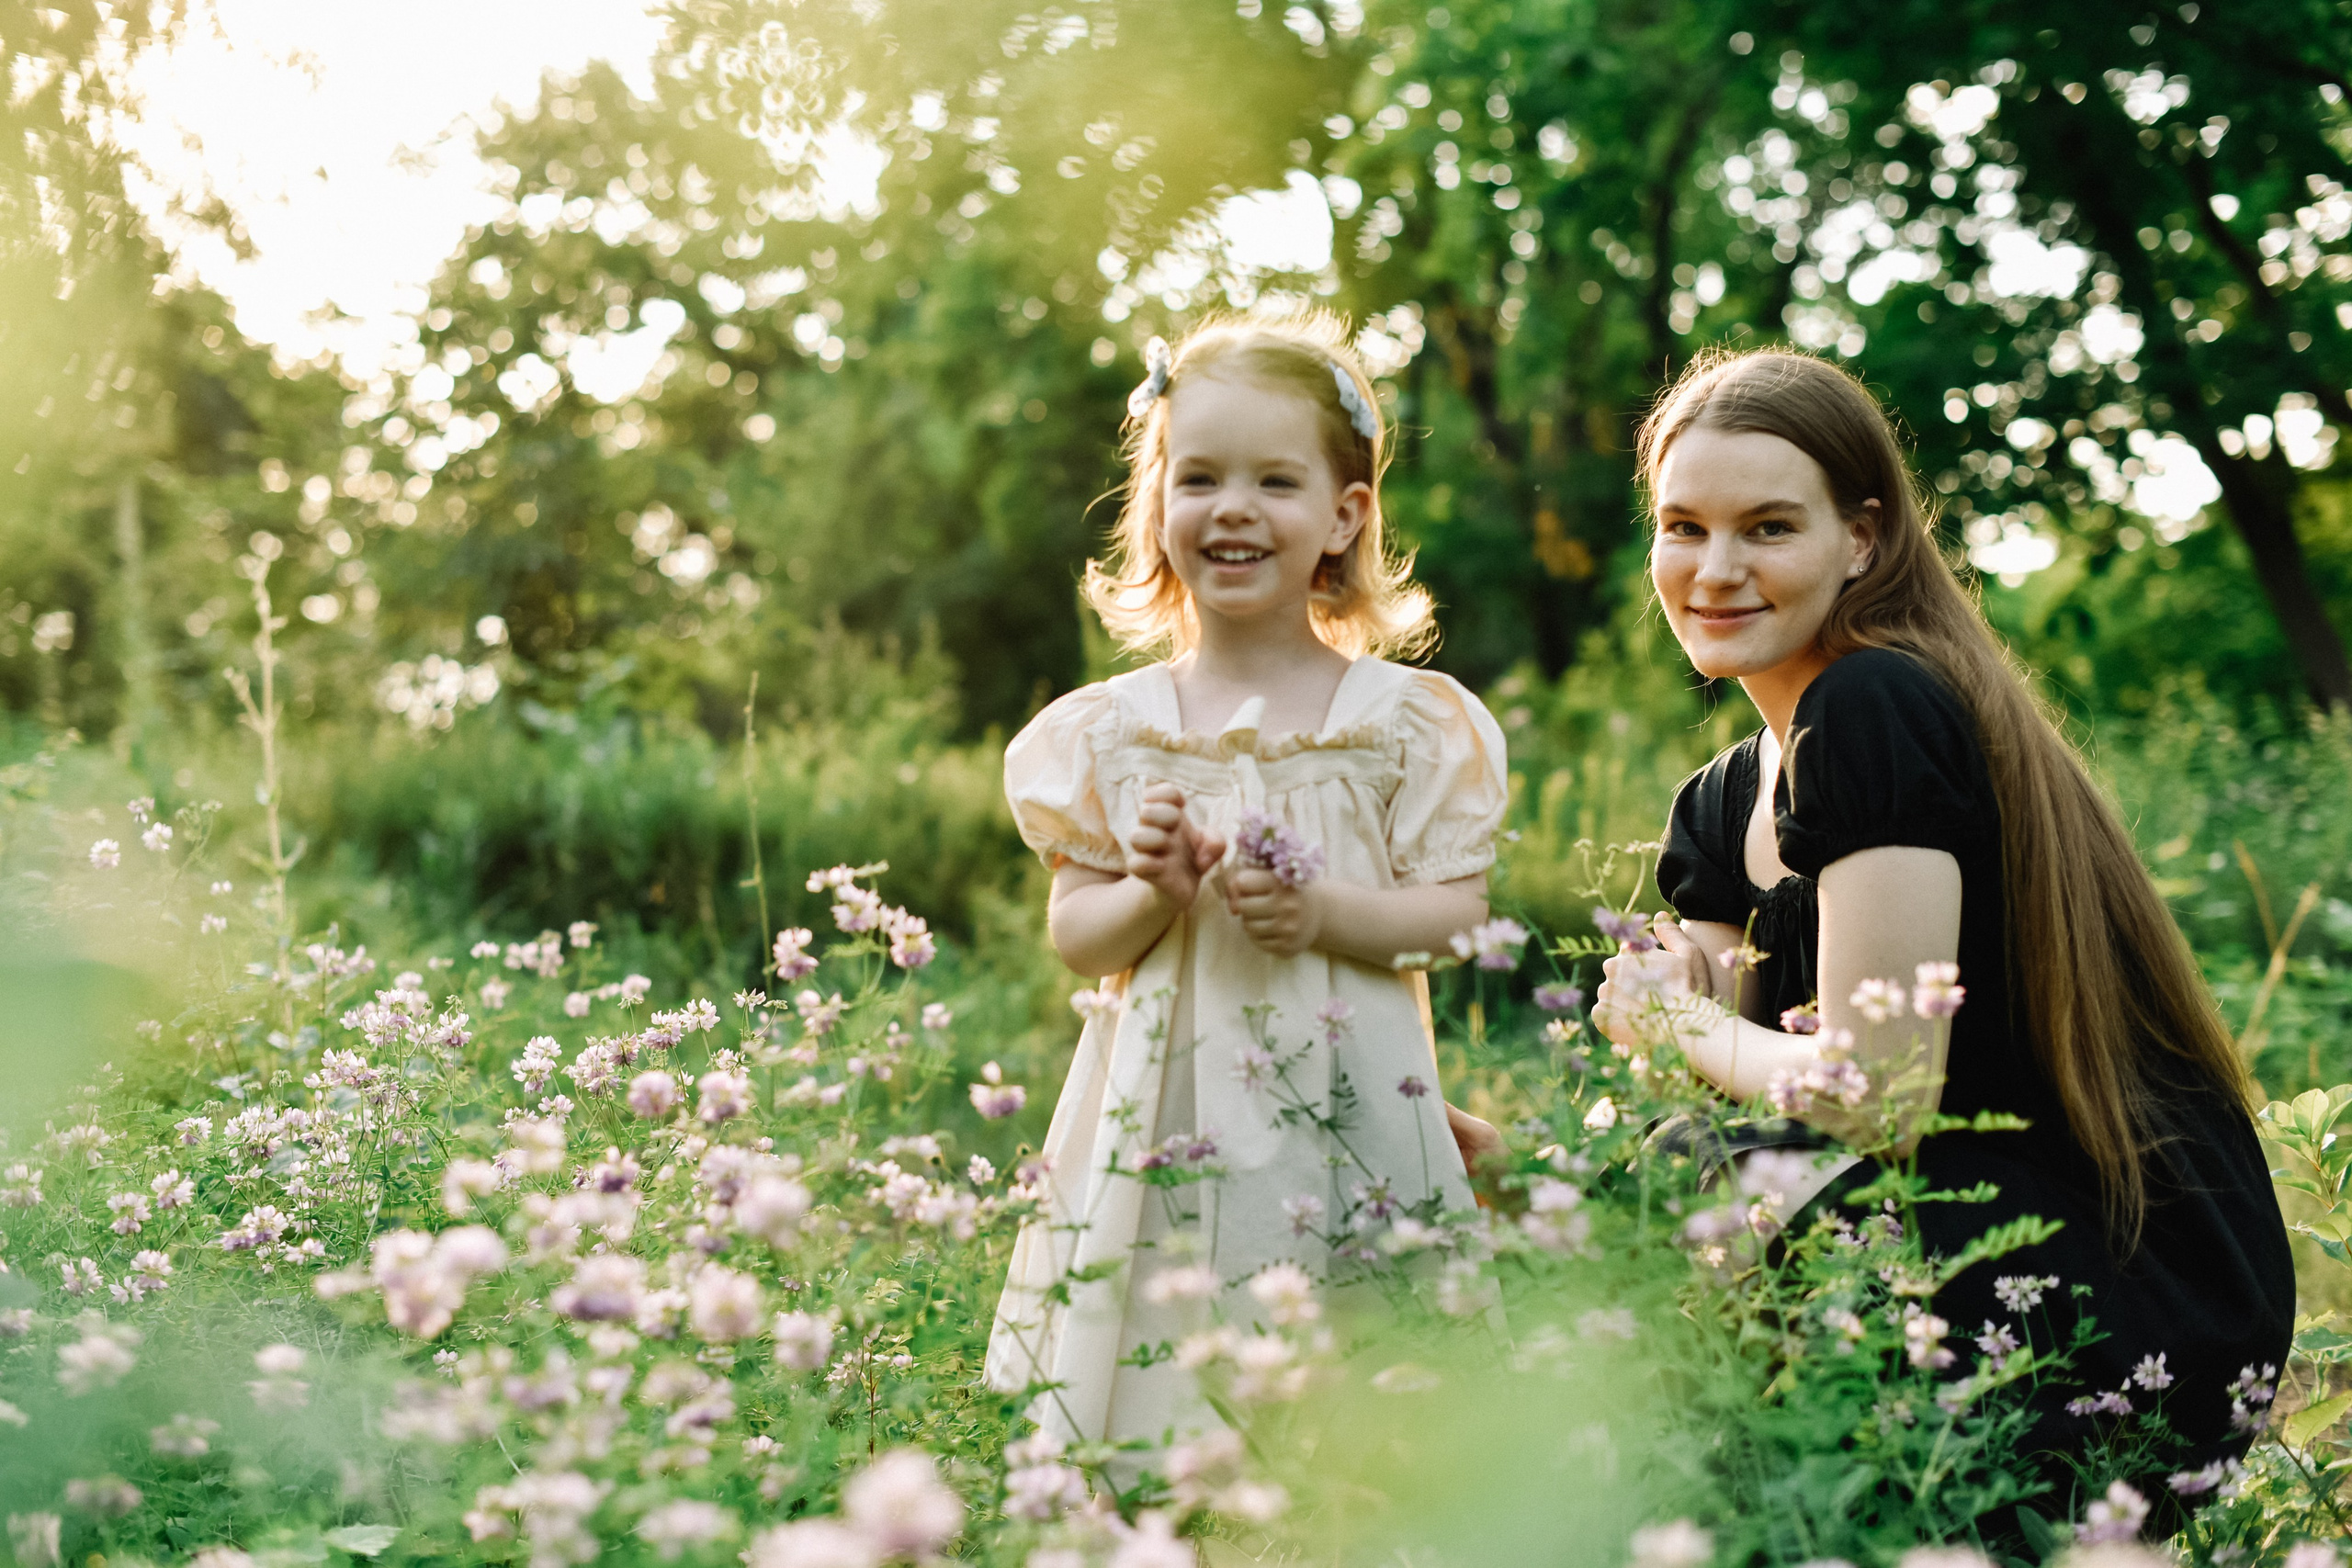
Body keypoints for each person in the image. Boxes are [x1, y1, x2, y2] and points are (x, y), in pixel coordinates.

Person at [1592, 347, 2291, 1518]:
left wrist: (1675, 1018)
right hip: (1918, 1261)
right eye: (1682, 527)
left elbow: (1871, 1094)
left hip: (2099, 1293)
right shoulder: (1718, 802)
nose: (1713, 570)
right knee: (1669, 1246)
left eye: (1767, 528)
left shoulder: (1877, 706)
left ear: (1861, 540)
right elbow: (1733, 1121)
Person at [986, 310, 1509, 1467]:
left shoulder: (1404, 724)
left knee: (1379, 1415)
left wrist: (1325, 914)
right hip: (1165, 1115)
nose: (1232, 507)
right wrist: (1153, 892)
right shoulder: (1111, 736)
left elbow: (1457, 915)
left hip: (1351, 1098)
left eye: (1276, 479)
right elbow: (1081, 936)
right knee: (1153, 1390)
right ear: (1156, 507)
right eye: (1200, 476)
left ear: (1343, 515)